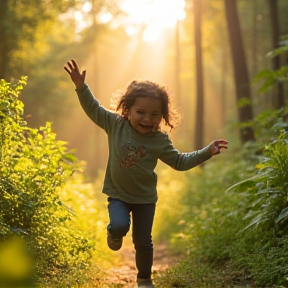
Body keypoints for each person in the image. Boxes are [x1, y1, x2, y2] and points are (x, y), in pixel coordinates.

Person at [64, 59, 228, 288]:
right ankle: (113, 233)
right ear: (127, 109)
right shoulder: (115, 125)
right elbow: (93, 109)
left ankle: (144, 279)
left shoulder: (159, 140)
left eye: (154, 114)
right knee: (120, 226)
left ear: (162, 116)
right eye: (140, 112)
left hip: (145, 199)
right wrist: (81, 87)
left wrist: (206, 152)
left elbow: (179, 161)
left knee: (143, 242)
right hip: (118, 194)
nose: (147, 119)